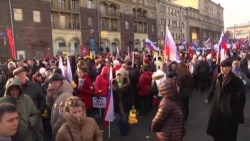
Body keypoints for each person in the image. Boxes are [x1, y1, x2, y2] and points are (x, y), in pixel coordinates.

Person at [207, 60, 246, 141]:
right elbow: (211, 92)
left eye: (224, 67)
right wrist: (212, 104)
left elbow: (241, 98)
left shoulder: (236, 81)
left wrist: (235, 111)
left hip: (230, 115)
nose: (222, 68)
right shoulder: (218, 77)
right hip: (217, 112)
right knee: (218, 135)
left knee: (228, 136)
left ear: (229, 68)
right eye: (221, 67)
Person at [46, 73, 73, 139]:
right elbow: (51, 106)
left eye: (52, 83)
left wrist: (54, 129)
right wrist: (49, 96)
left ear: (58, 82)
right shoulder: (56, 91)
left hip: (61, 130)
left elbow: (63, 117)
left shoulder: (66, 95)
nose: (50, 85)